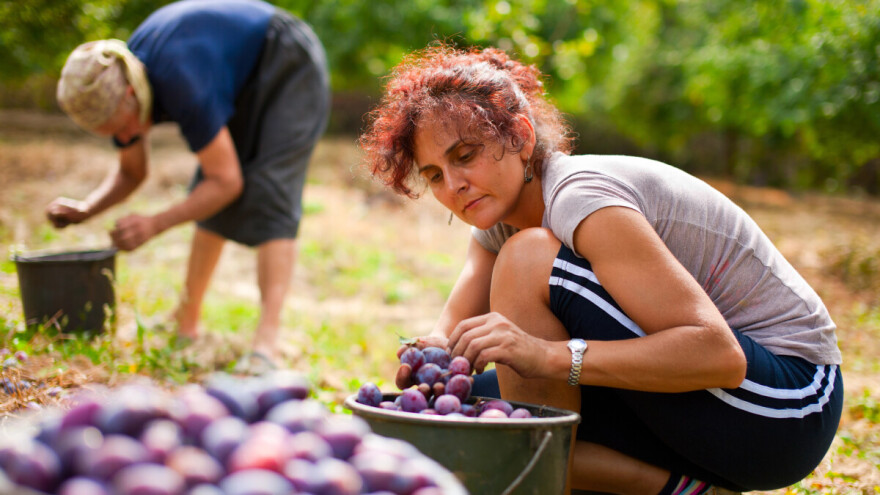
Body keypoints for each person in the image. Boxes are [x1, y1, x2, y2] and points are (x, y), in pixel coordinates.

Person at [360, 43, 843, 494]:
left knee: (527, 267)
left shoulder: (580, 198)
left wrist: (546, 357)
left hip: (784, 407)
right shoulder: (496, 223)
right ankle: (678, 487)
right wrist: (430, 360)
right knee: (468, 420)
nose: (454, 186)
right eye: (434, 176)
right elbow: (448, 341)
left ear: (522, 138)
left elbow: (719, 356)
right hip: (696, 408)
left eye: (465, 156)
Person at [48, 0, 330, 370]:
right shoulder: (119, 78)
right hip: (241, 73)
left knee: (270, 190)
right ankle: (186, 321)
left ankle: (267, 343)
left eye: (122, 128)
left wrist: (155, 223)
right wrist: (87, 208)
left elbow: (226, 183)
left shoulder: (182, 82)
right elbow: (133, 172)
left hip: (287, 61)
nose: (126, 138)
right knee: (206, 186)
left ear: (130, 96)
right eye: (113, 135)